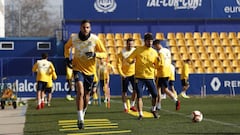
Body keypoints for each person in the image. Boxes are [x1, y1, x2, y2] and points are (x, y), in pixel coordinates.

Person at [64, 19, 107, 129]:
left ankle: (83, 113)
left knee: (87, 96)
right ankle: (80, 119)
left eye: (87, 27)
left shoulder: (95, 39)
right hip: (78, 69)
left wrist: (94, 54)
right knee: (80, 91)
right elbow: (66, 47)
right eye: (84, 27)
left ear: (90, 28)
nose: (85, 29)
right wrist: (67, 58)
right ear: (80, 28)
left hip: (90, 71)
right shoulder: (74, 38)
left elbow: (105, 53)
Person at [126, 33, 160, 120]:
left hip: (150, 76)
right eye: (149, 41)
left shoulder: (154, 52)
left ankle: (153, 109)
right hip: (139, 77)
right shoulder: (138, 50)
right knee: (139, 95)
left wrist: (158, 62)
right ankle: (140, 113)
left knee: (155, 95)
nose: (150, 43)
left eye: (151, 41)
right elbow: (129, 59)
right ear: (145, 41)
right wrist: (131, 61)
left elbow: (157, 66)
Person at [153, 39, 180, 111]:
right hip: (168, 71)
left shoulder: (160, 52)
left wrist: (155, 66)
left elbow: (161, 64)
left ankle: (159, 105)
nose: (155, 48)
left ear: (157, 45)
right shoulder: (167, 50)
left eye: (155, 47)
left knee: (158, 89)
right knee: (164, 89)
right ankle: (174, 100)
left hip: (161, 72)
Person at [117, 38, 137, 113]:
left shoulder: (135, 51)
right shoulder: (122, 52)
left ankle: (132, 105)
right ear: (126, 44)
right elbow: (118, 64)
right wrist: (122, 74)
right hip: (125, 74)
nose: (130, 45)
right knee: (124, 91)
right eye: (129, 44)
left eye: (131, 44)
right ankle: (125, 107)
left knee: (136, 90)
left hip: (134, 74)